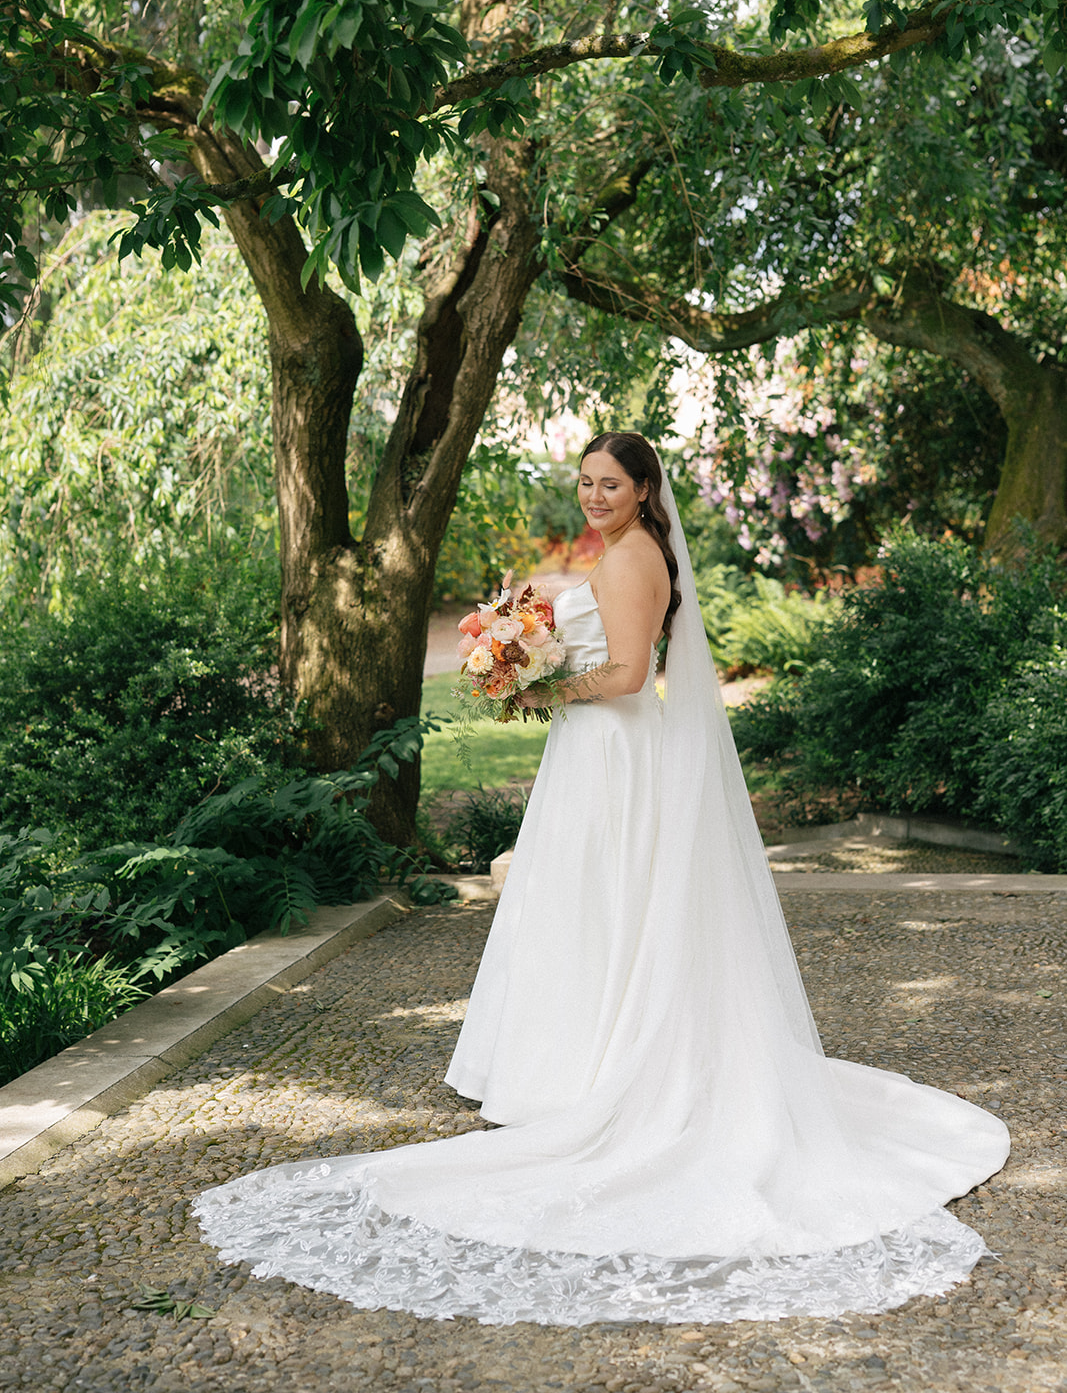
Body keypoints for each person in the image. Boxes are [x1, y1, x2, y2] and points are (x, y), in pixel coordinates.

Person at [195, 433, 1010, 1326]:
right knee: (580, 907)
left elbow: (627, 677)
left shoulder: (635, 560)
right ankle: (571, 1065)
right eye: (584, 482)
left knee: (600, 904)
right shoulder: (618, 552)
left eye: (609, 483)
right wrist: (520, 646)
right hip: (591, 755)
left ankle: (589, 1079)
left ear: (643, 488)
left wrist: (538, 692)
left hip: (612, 750)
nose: (593, 495)